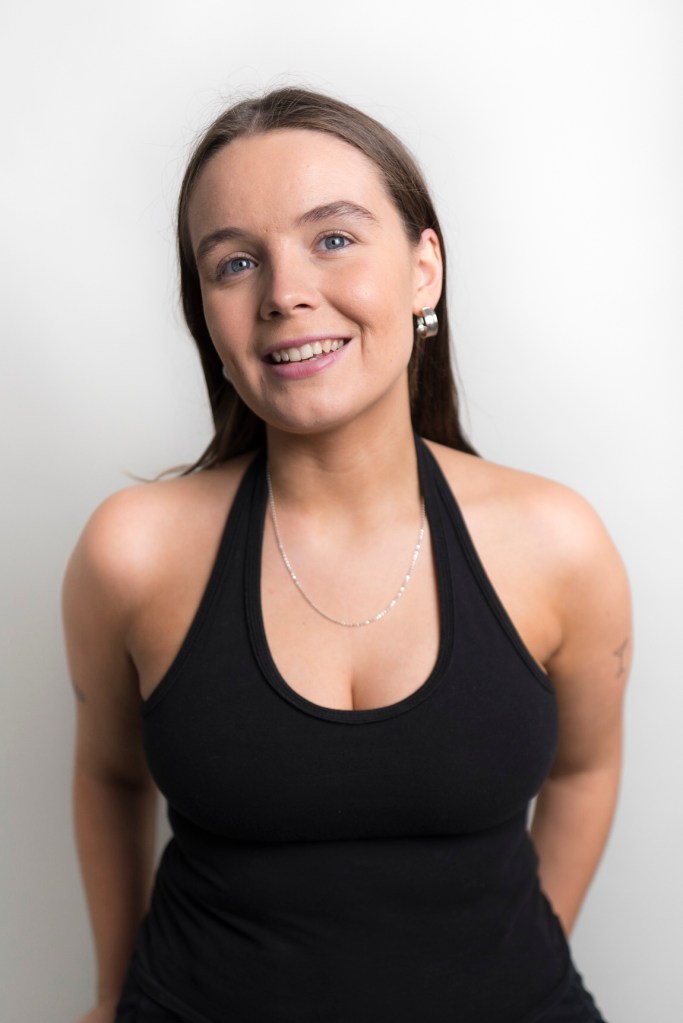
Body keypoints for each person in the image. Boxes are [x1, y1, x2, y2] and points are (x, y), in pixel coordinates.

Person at [63, 87, 631, 1023]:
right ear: (205, 311)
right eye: (235, 261)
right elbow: (111, 774)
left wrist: (520, 965)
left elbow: (583, 768)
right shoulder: (133, 551)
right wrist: (108, 996)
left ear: (422, 270)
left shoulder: (555, 541)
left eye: (332, 238)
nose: (283, 292)